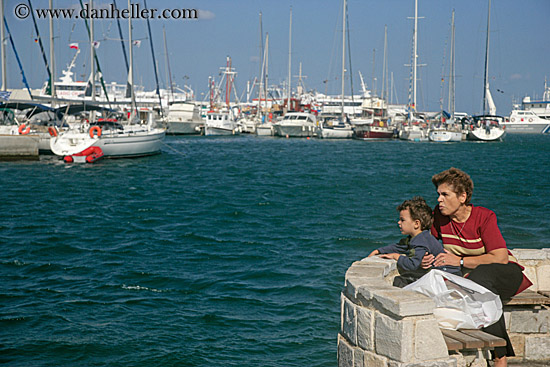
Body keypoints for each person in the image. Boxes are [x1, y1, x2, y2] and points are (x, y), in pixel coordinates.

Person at [422, 167, 532, 367]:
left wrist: (460, 261)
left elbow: (500, 257)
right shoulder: (439, 217)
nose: (439, 199)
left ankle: (500, 356)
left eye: (445, 194)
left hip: (506, 274)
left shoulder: (484, 217)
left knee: (480, 281)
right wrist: (396, 253)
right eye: (438, 194)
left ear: (462, 197)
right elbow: (422, 240)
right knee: (476, 284)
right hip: (475, 279)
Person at [368, 196, 461, 287]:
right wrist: (379, 251)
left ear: (416, 224)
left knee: (400, 281)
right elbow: (400, 247)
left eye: (402, 220)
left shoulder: (421, 242)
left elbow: (412, 264)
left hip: (447, 277)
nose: (398, 223)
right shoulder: (418, 237)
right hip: (448, 274)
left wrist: (396, 256)